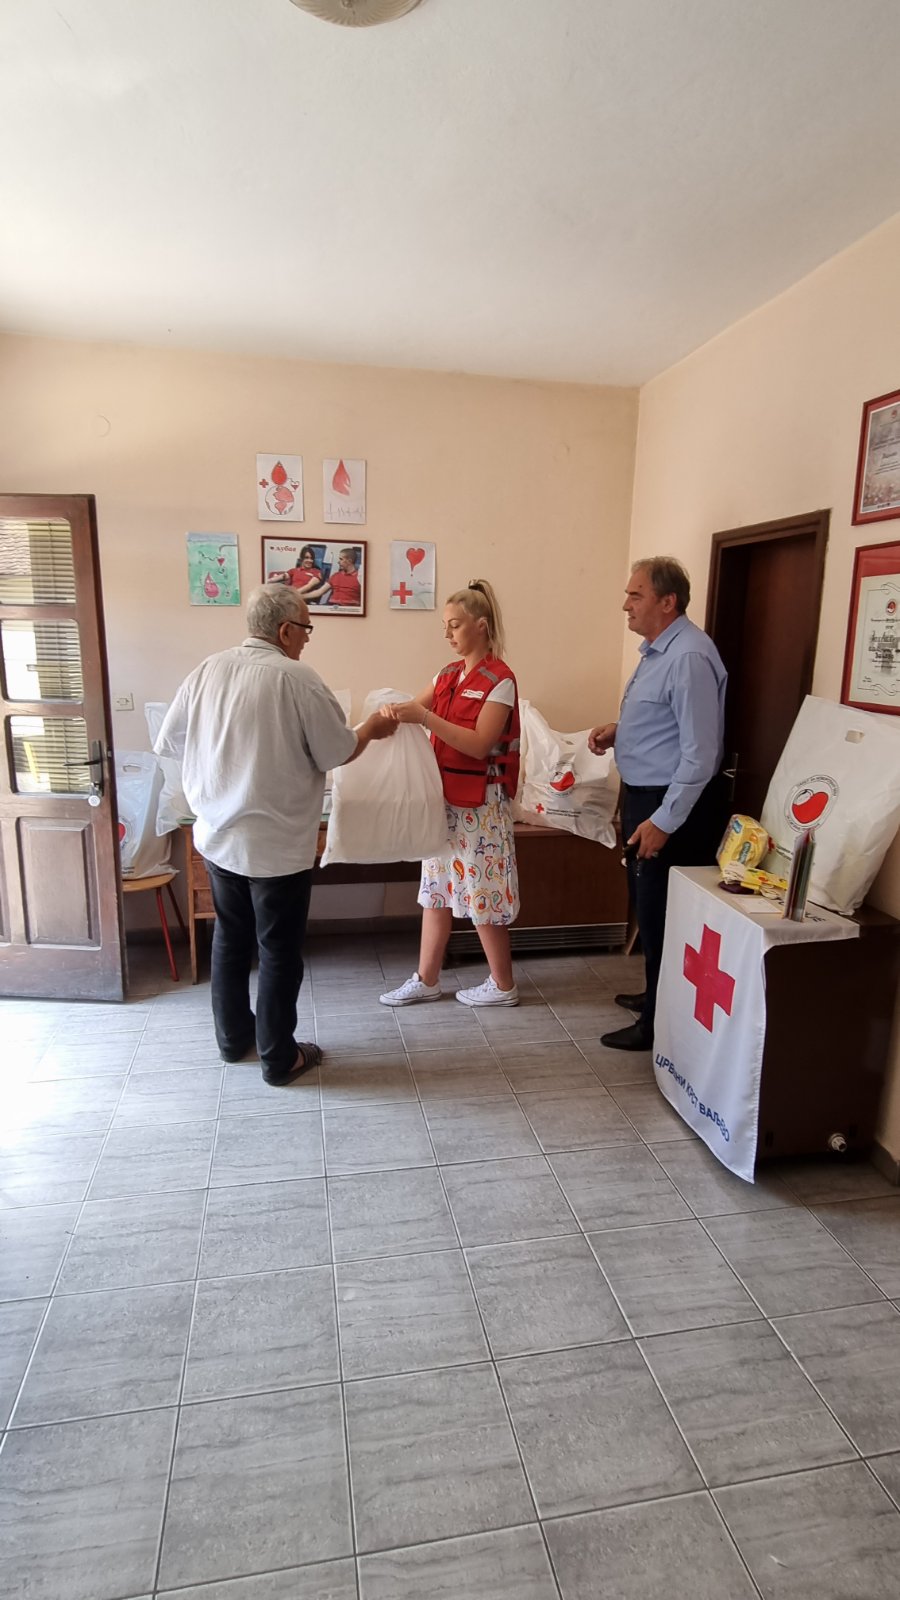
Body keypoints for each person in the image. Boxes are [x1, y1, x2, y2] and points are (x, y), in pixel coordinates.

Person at [154, 583, 397, 1086]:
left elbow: (171, 741)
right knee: (278, 952)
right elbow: (336, 751)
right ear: (285, 630)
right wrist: (371, 729)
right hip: (275, 848)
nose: (307, 637)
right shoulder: (296, 678)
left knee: (229, 941)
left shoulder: (208, 669)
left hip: (218, 837)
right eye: (306, 628)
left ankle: (233, 1041)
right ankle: (279, 1058)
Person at [589, 557, 727, 1051]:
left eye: (636, 595)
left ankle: (658, 1027)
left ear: (668, 602)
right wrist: (621, 731)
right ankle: (656, 997)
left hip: (671, 805)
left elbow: (700, 753)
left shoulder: (688, 656)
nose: (625, 604)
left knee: (663, 914)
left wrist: (663, 821)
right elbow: (669, 722)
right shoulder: (658, 651)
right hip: (646, 796)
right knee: (649, 911)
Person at [379, 578, 521, 1008]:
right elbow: (412, 709)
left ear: (481, 625)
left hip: (482, 804)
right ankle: (427, 979)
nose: (447, 634)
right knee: (436, 889)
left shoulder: (500, 680)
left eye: (454, 625)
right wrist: (385, 714)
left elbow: (479, 744)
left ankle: (503, 985)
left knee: (483, 890)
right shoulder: (446, 676)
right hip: (443, 800)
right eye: (445, 625)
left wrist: (425, 717)